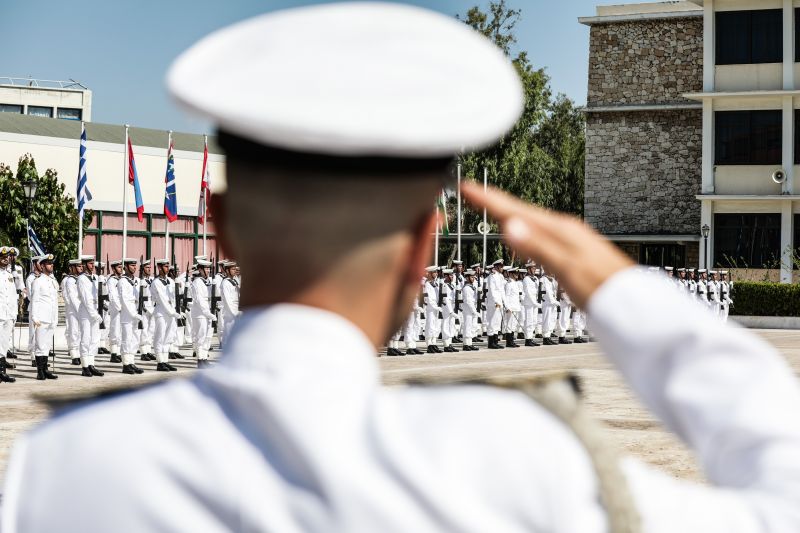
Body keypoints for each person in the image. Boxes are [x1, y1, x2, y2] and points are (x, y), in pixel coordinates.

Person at [7, 4, 800, 532]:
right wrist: (623, 288)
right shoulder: (512, 462)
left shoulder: (63, 469)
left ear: (218, 227)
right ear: (426, 244)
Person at [29, 255, 58, 381]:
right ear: (42, 266)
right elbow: (34, 301)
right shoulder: (37, 281)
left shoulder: (52, 281)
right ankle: (40, 371)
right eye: (48, 263)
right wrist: (35, 317)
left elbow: (54, 301)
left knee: (46, 346)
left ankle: (45, 369)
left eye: (51, 263)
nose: (51, 265)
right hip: (41, 318)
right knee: (40, 345)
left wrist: (55, 318)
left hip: (51, 318)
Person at [76, 256, 104, 377]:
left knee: (94, 339)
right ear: (85, 264)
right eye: (90, 264)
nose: (93, 266)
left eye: (93, 264)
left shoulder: (94, 278)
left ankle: (91, 364)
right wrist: (94, 314)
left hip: (95, 310)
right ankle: (85, 366)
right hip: (86, 312)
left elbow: (100, 295)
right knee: (86, 338)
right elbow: (86, 298)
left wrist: (101, 281)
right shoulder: (82, 278)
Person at [150, 259, 179, 372]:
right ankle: (160, 362)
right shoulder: (156, 282)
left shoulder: (170, 282)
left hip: (171, 312)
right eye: (165, 267)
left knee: (168, 337)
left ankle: (165, 361)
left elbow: (173, 298)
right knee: (160, 337)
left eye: (168, 267)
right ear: (159, 268)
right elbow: (162, 299)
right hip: (162, 312)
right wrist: (172, 312)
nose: (167, 269)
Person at [118, 259, 144, 375]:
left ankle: (131, 362)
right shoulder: (123, 281)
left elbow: (139, 297)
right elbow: (124, 300)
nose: (134, 268)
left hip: (135, 313)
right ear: (126, 267)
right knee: (127, 339)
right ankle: (126, 364)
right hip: (128, 315)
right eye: (132, 266)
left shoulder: (136, 281)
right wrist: (134, 314)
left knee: (135, 339)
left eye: (135, 266)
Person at [190, 259, 215, 368]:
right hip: (200, 313)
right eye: (206, 268)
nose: (208, 270)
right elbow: (200, 300)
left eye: (209, 268)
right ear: (200, 270)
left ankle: (204, 358)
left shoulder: (208, 281)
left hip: (208, 312)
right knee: (201, 336)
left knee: (207, 337)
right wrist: (208, 313)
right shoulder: (197, 282)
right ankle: (200, 360)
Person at [0, 248, 17, 382]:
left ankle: (2, 372)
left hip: (8, 314)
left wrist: (14, 313)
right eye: (3, 257)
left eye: (7, 257)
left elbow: (12, 296)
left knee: (4, 344)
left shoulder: (9, 275)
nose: (6, 259)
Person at [61, 259, 82, 365]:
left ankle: (78, 353)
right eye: (78, 266)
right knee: (73, 331)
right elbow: (68, 296)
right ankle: (74, 355)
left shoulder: (81, 279)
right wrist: (78, 309)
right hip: (72, 310)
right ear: (71, 268)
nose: (81, 268)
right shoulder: (68, 280)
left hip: (81, 309)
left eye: (81, 266)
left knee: (80, 332)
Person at [219, 261, 241, 348]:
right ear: (227, 271)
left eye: (235, 269)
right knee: (229, 333)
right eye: (232, 269)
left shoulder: (235, 280)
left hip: (237, 309)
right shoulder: (225, 283)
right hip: (230, 312)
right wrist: (234, 313)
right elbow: (228, 300)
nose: (235, 271)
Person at [485, 259, 506, 349]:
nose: (502, 268)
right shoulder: (492, 276)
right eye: (501, 266)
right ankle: (491, 343)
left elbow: (502, 291)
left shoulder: (501, 277)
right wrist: (496, 302)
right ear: (496, 267)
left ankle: (495, 341)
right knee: (492, 322)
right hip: (493, 303)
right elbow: (492, 290)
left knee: (497, 322)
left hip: (499, 302)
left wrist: (505, 302)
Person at [106, 260, 123, 363]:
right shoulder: (111, 280)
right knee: (115, 331)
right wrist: (119, 308)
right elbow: (113, 296)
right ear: (113, 269)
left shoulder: (121, 279)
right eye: (118, 267)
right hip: (116, 309)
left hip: (122, 309)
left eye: (121, 267)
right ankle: (113, 354)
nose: (121, 269)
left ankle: (118, 353)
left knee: (120, 332)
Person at [521, 261, 541, 347]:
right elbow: (528, 292)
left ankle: (531, 338)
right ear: (528, 269)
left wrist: (537, 302)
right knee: (529, 321)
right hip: (529, 303)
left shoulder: (536, 279)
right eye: (533, 268)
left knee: (534, 321)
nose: (534, 269)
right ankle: (528, 339)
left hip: (535, 303)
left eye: (534, 268)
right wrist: (534, 303)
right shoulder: (526, 279)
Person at [460, 269, 479, 351]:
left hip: (471, 309)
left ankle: (469, 343)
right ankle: (466, 344)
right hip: (468, 309)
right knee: (467, 326)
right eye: (471, 277)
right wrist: (473, 310)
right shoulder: (467, 288)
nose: (473, 278)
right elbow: (468, 301)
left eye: (473, 277)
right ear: (467, 278)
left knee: (470, 326)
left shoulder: (471, 287)